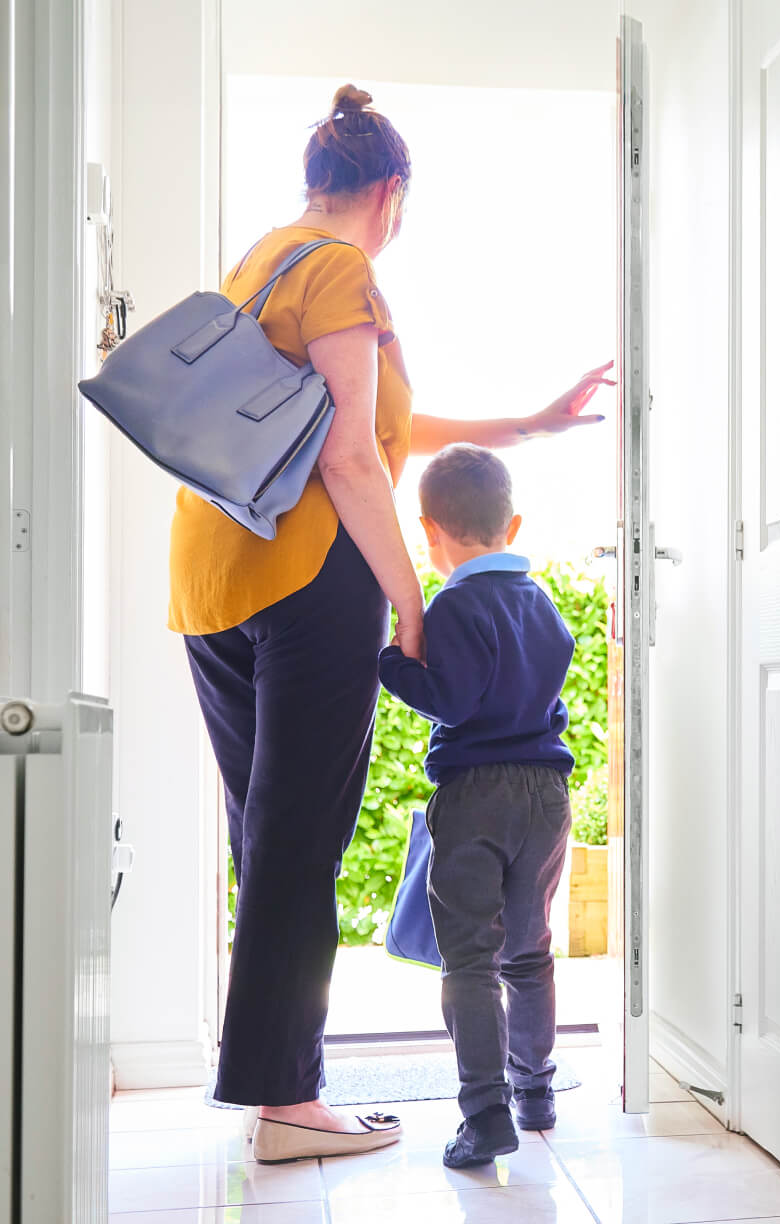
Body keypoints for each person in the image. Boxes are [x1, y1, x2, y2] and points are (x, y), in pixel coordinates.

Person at [168, 83, 609, 1165]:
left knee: (264, 839)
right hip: (307, 579)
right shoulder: (347, 271)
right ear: (391, 193)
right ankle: (285, 1102)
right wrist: (415, 601)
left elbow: (358, 417)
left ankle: (279, 1090)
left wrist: (527, 423)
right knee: (299, 841)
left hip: (213, 576)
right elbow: (354, 456)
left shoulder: (260, 265)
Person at [378, 444, 575, 1168]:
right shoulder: (542, 601)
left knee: (469, 959)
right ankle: (538, 1092)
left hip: (476, 795)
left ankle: (486, 1112)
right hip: (547, 795)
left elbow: (452, 701)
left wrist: (392, 663)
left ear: (430, 531)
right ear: (511, 525)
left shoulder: (454, 603)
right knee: (529, 950)